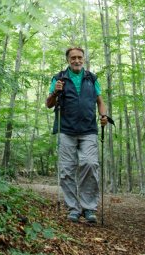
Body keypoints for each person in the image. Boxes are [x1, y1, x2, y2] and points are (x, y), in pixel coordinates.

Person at [46, 46, 110, 223]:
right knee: (67, 170)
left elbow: (100, 101)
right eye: (73, 57)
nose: (76, 60)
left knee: (90, 164)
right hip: (66, 130)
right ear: (68, 59)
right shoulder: (59, 78)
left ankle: (89, 208)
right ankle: (73, 208)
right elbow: (49, 104)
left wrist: (103, 115)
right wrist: (55, 91)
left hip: (89, 129)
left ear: (84, 59)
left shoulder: (91, 78)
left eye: (79, 57)